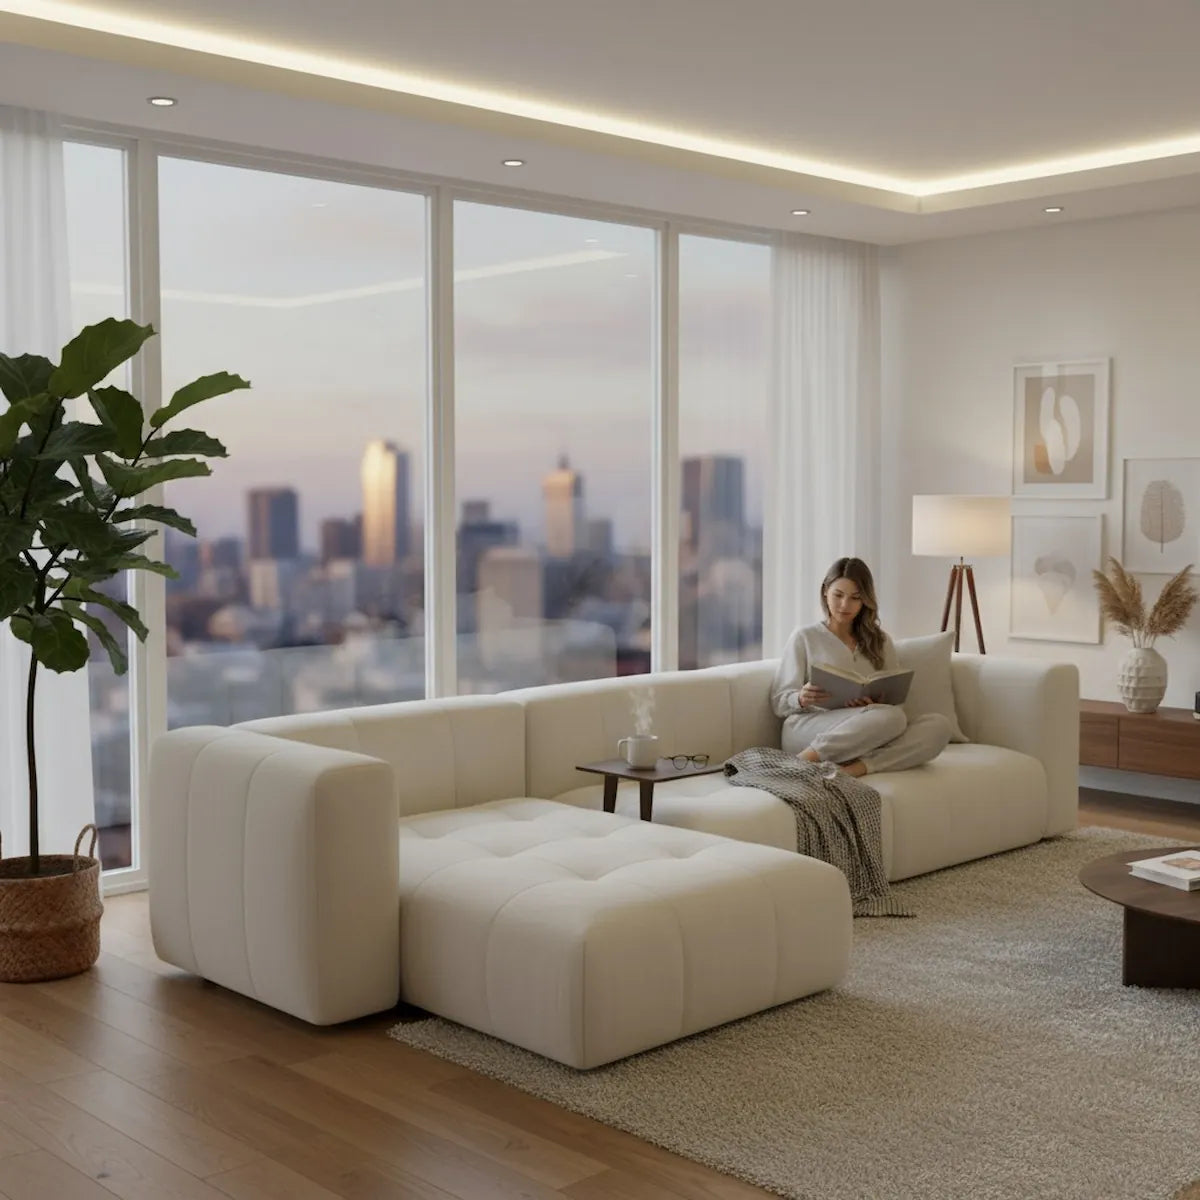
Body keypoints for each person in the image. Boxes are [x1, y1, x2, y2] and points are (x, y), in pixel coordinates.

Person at [771, 556, 951, 777]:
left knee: (938, 726)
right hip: (808, 729)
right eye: (838, 595)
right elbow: (779, 702)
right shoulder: (805, 637)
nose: (845, 605)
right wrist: (800, 697)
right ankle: (800, 763)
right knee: (891, 718)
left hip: (864, 729)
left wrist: (875, 705)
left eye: (855, 598)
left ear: (865, 600)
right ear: (825, 591)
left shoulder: (881, 641)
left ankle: (850, 770)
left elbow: (895, 707)